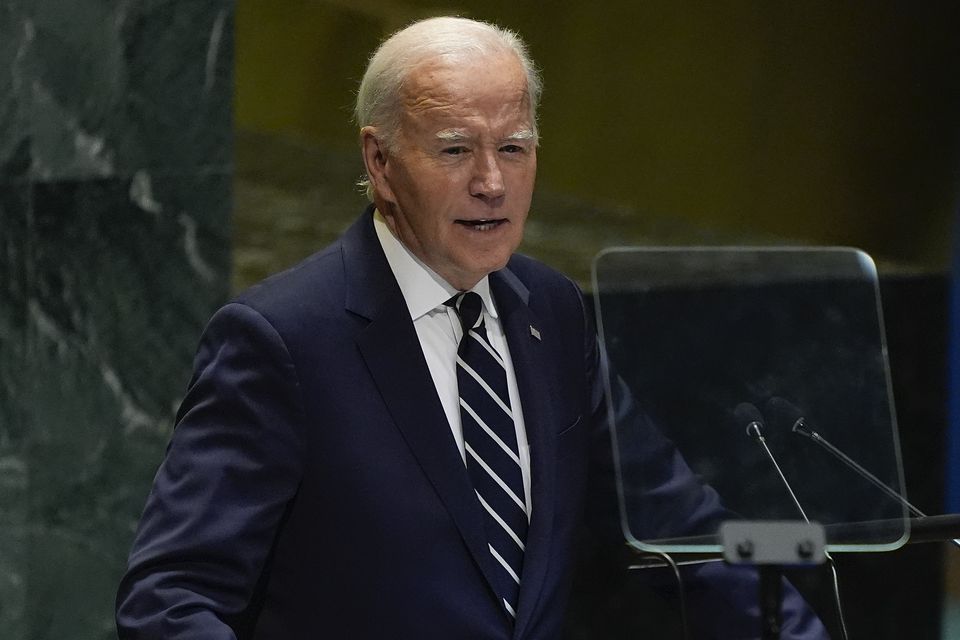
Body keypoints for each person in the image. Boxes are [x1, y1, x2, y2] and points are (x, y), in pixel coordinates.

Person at [116, 16, 828, 639]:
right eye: (456, 150)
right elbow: (172, 597)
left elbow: (682, 529)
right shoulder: (282, 341)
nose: (492, 182)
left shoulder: (552, 312)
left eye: (514, 148)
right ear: (380, 161)